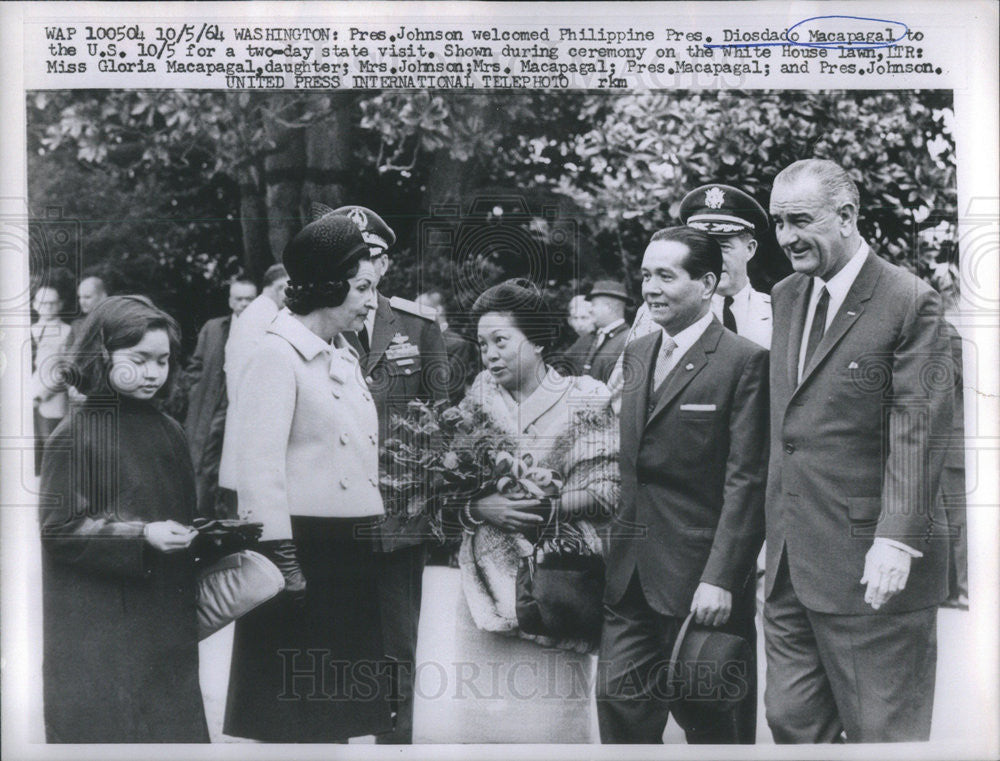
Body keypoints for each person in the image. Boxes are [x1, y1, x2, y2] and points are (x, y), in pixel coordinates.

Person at [763, 158, 954, 743]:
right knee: (791, 721)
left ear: (846, 217)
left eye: (800, 221)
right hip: (792, 564)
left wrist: (895, 539)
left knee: (882, 735)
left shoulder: (909, 301)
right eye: (777, 223)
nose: (787, 238)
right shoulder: (787, 295)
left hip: (874, 567)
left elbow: (918, 429)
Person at [418, 279, 620, 743]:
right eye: (482, 343)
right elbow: (447, 490)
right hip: (481, 592)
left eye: (501, 341)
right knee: (481, 722)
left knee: (550, 729)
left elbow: (608, 490)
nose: (489, 354)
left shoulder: (585, 397)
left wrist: (541, 506)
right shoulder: (478, 397)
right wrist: (480, 505)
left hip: (556, 587)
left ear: (540, 339)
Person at [223, 213, 392, 742]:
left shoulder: (342, 356)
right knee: (292, 721)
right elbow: (258, 466)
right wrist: (281, 558)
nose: (371, 301)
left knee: (334, 722)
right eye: (362, 287)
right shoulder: (276, 354)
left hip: (347, 556)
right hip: (301, 557)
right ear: (328, 284)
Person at [597, 227, 768, 744]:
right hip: (629, 578)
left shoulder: (743, 361)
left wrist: (722, 576)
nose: (650, 288)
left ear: (707, 283)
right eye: (646, 274)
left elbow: (747, 481)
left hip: (703, 584)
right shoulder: (637, 353)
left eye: (666, 276)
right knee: (619, 711)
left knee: (716, 727)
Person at [39, 295, 208, 742]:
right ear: (101, 354)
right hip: (99, 632)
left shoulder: (168, 429)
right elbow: (59, 528)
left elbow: (181, 513)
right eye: (139, 359)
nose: (154, 372)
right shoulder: (74, 434)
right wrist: (141, 535)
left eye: (163, 360)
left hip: (163, 623)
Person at [325, 204, 448, 745]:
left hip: (398, 512)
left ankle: (398, 743)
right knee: (335, 639)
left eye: (374, 255)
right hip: (331, 507)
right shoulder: (315, 322)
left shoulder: (417, 326)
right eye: (355, 258)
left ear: (388, 262)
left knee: (399, 643)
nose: (367, 268)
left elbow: (442, 418)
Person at [182, 277, 258, 517]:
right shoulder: (214, 328)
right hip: (213, 406)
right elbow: (195, 365)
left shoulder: (265, 329)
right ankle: (200, 520)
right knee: (205, 463)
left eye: (249, 299)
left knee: (240, 468)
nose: (244, 304)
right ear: (230, 301)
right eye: (239, 299)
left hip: (245, 408)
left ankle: (235, 522)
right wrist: (197, 392)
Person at [218, 262, 289, 511]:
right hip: (254, 411)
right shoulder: (266, 316)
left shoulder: (254, 314)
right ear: (281, 287)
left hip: (244, 407)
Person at [679, 183, 772, 349]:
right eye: (703, 247)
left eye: (724, 247)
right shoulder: (673, 312)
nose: (712, 258)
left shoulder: (778, 313)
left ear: (749, 249)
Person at [30, 269, 74, 475]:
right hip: (27, 395)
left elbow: (65, 369)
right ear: (35, 304)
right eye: (42, 303)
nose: (47, 308)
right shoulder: (28, 330)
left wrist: (43, 394)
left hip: (52, 398)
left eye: (52, 303)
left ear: (60, 304)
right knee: (29, 449)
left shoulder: (66, 331)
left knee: (53, 449)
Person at [578, 280, 630, 383]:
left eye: (594, 305)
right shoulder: (590, 337)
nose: (590, 310)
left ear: (609, 308)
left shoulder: (629, 340)